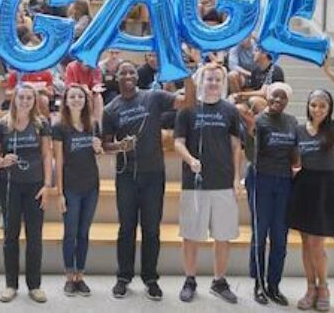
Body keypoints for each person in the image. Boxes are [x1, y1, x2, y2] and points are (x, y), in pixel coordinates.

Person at [103, 61, 195, 301]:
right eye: (123, 72)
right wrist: (121, 145)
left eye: (131, 71)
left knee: (152, 229)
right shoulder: (111, 109)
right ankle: (123, 277)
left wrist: (187, 76)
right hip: (126, 176)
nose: (128, 75)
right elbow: (105, 144)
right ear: (117, 77)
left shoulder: (153, 97)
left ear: (137, 75)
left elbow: (187, 102)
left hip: (154, 174)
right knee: (126, 229)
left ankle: (150, 278)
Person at [289, 61, 334, 312]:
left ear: (329, 108)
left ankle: (324, 287)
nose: (317, 109)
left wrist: (329, 72)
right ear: (308, 106)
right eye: (313, 104)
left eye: (322, 105)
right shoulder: (298, 130)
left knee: (318, 244)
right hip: (304, 185)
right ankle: (310, 288)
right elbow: (294, 158)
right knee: (306, 244)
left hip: (327, 188)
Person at [174, 63, 242, 304]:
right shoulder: (188, 110)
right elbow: (178, 142)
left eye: (217, 80)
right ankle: (190, 279)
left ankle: (219, 281)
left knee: (222, 236)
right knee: (191, 235)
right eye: (209, 79)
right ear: (200, 81)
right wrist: (190, 159)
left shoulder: (230, 111)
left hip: (223, 183)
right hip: (195, 185)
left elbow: (236, 146)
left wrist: (236, 178)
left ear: (222, 83)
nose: (213, 83)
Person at [0, 84, 53, 303]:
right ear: (14, 99)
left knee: (34, 237)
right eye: (21, 97)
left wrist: (47, 185)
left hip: (35, 186)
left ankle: (34, 285)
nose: (25, 101)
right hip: (10, 186)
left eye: (29, 98)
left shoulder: (41, 124)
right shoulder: (1, 126)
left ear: (34, 101)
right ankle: (10, 284)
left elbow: (47, 155)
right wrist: (1, 161)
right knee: (10, 236)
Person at [248, 82, 298, 306]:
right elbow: (250, 153)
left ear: (288, 100)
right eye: (274, 97)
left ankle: (274, 285)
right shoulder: (258, 120)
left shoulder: (292, 122)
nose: (278, 101)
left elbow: (295, 151)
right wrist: (249, 132)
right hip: (261, 180)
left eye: (282, 98)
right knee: (260, 234)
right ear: (267, 97)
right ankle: (258, 284)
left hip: (284, 182)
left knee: (280, 237)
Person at [53, 84, 103, 297]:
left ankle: (80, 276)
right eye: (72, 97)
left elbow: (98, 154)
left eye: (80, 97)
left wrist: (98, 148)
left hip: (91, 186)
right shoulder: (59, 127)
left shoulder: (92, 124)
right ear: (66, 100)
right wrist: (60, 193)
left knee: (84, 233)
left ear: (85, 101)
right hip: (70, 188)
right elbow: (59, 161)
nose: (76, 100)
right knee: (70, 233)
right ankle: (69, 276)